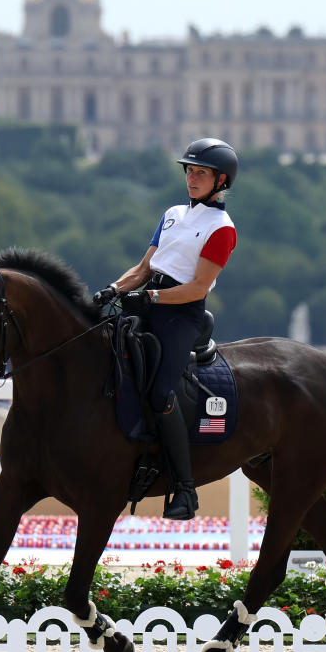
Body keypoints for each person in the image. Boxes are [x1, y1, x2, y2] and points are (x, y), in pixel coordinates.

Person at [93, 138, 238, 520]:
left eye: (200, 173)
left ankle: (184, 489)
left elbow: (197, 288)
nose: (191, 178)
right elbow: (142, 269)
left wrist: (150, 299)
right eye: (189, 171)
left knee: (161, 392)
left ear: (220, 180)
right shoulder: (173, 213)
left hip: (181, 313)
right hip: (149, 298)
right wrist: (113, 289)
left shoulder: (222, 228)